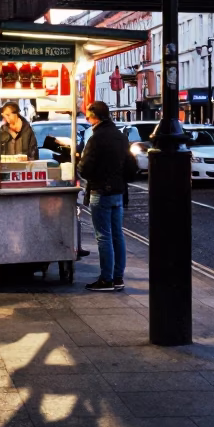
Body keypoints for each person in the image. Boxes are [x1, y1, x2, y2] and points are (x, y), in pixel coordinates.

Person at [78, 100, 137, 292]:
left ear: (95, 116)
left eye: (88, 115)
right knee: (117, 235)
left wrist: (81, 165)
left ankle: (106, 279)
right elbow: (131, 167)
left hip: (101, 192)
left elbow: (85, 168)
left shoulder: (95, 139)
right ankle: (118, 278)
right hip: (118, 192)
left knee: (103, 237)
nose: (86, 118)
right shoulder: (120, 137)